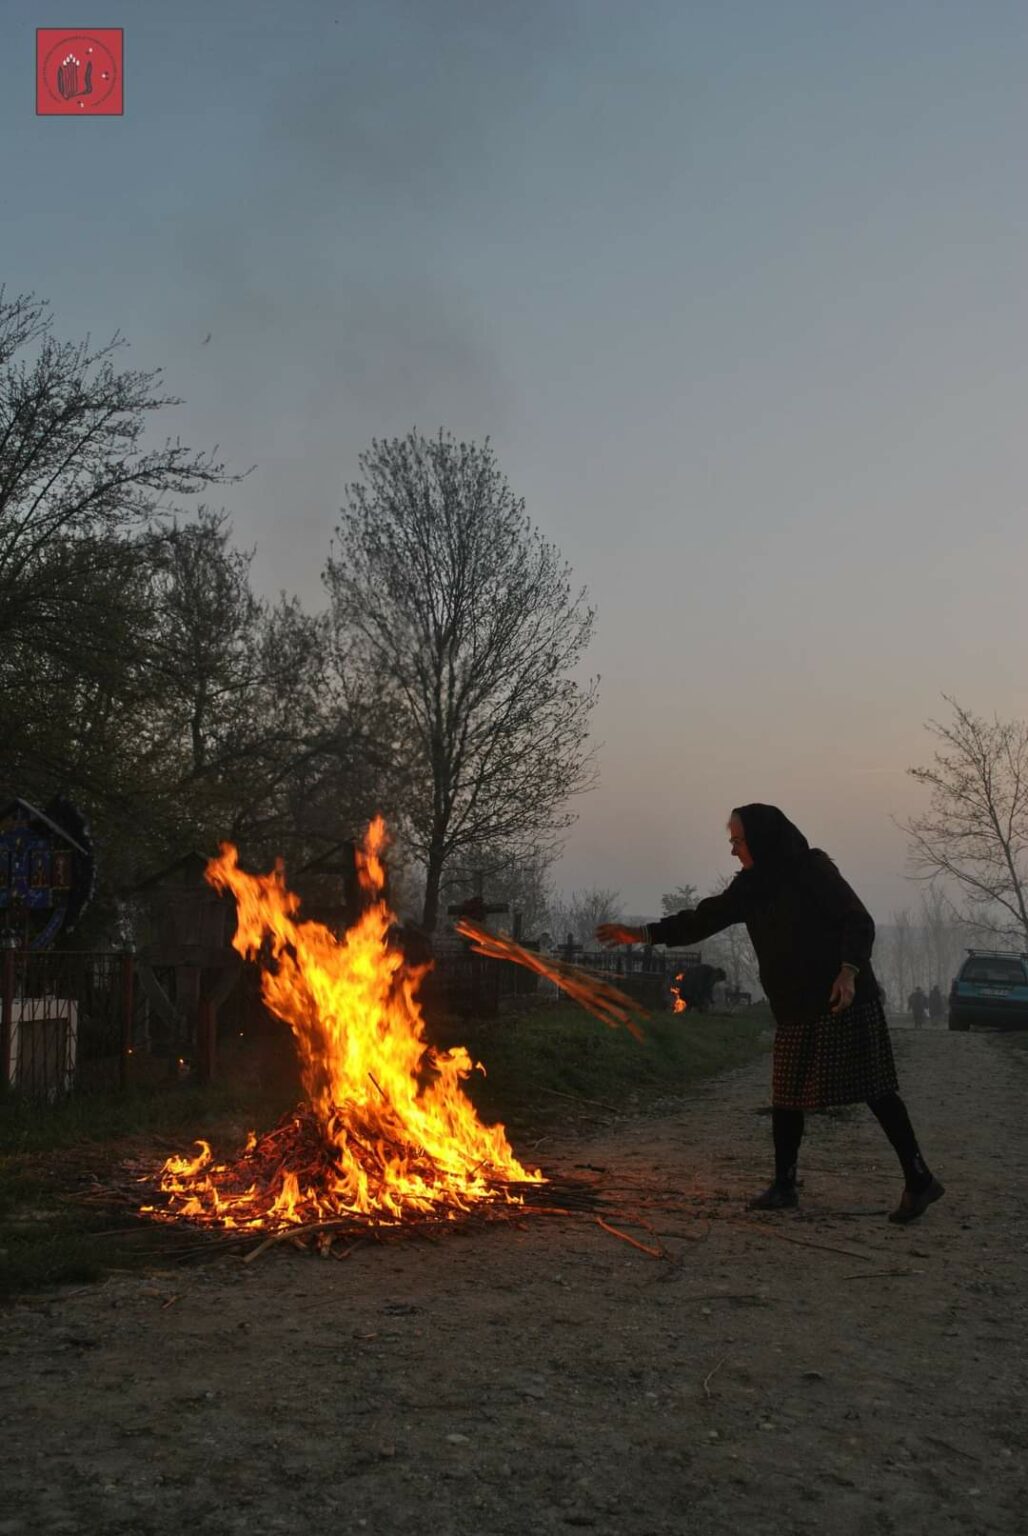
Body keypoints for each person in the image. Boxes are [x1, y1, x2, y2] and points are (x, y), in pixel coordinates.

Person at [597, 804, 944, 1223]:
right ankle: (784, 1184)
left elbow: (858, 921)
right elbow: (704, 919)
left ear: (761, 838)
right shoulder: (751, 887)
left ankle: (919, 1178)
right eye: (732, 841)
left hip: (843, 997)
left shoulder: (812, 871)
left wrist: (848, 972)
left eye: (738, 841)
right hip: (795, 1005)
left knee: (876, 1089)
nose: (733, 850)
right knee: (787, 1095)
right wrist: (642, 933)